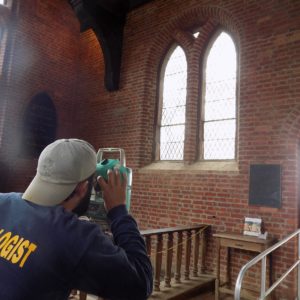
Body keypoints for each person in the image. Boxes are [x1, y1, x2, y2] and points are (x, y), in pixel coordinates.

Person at [0, 138, 153, 300]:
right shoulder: (74, 236)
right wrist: (119, 211)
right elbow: (140, 284)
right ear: (83, 188)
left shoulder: (3, 201)